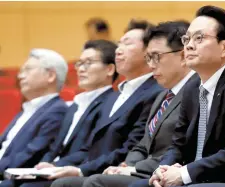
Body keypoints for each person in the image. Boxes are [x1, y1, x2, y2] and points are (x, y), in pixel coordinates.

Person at [130, 5, 225, 187]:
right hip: (199, 175)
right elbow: (178, 143)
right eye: (187, 39)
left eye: (199, 38)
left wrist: (184, 173)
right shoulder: (192, 87)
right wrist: (163, 169)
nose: (189, 45)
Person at [66, 20, 198, 187]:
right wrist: (127, 165)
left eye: (156, 57)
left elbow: (180, 148)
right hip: (148, 169)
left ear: (182, 56)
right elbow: (143, 143)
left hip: (170, 172)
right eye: (149, 57)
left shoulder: (196, 92)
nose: (151, 65)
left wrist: (135, 168)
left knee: (96, 182)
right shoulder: (163, 96)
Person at [47, 19, 163, 186]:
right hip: (94, 169)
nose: (118, 50)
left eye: (127, 44)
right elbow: (89, 146)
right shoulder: (113, 97)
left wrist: (82, 170)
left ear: (149, 52)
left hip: (115, 171)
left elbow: (131, 146)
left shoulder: (155, 93)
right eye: (118, 44)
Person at [16, 40, 118, 187]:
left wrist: (56, 164)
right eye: (79, 63)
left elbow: (92, 149)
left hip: (76, 171)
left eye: (88, 63)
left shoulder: (110, 104)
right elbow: (55, 146)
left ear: (109, 69)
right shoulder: (74, 105)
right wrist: (45, 163)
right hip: (54, 170)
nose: (81, 69)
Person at [0, 49, 68, 179]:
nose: (20, 76)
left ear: (51, 76)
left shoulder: (57, 111)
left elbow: (31, 155)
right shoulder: (27, 109)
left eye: (27, 70)